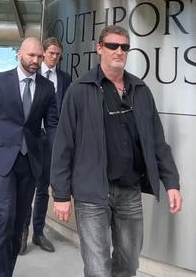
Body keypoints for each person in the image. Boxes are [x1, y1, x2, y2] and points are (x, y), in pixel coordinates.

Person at [51, 25, 183, 277]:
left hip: (130, 191)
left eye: (124, 47)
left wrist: (172, 182)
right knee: (97, 267)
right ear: (99, 48)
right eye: (112, 45)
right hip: (91, 192)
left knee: (129, 264)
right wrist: (60, 193)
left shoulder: (140, 90)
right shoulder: (79, 90)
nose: (119, 51)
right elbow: (63, 145)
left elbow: (157, 141)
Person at [0, 37, 59, 277]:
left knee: (19, 221)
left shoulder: (47, 87)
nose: (36, 60)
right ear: (19, 54)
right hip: (2, 160)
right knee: (5, 216)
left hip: (31, 162)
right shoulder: (0, 81)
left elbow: (52, 125)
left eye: (40, 57)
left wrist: (58, 157)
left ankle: (6, 272)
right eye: (32, 55)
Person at [20, 37, 71, 254]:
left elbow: (66, 111)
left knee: (43, 189)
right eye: (50, 53)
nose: (53, 57)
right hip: (29, 141)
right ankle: (21, 233)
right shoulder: (32, 75)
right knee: (26, 189)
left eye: (57, 54)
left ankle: (38, 233)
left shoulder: (65, 79)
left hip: (51, 141)